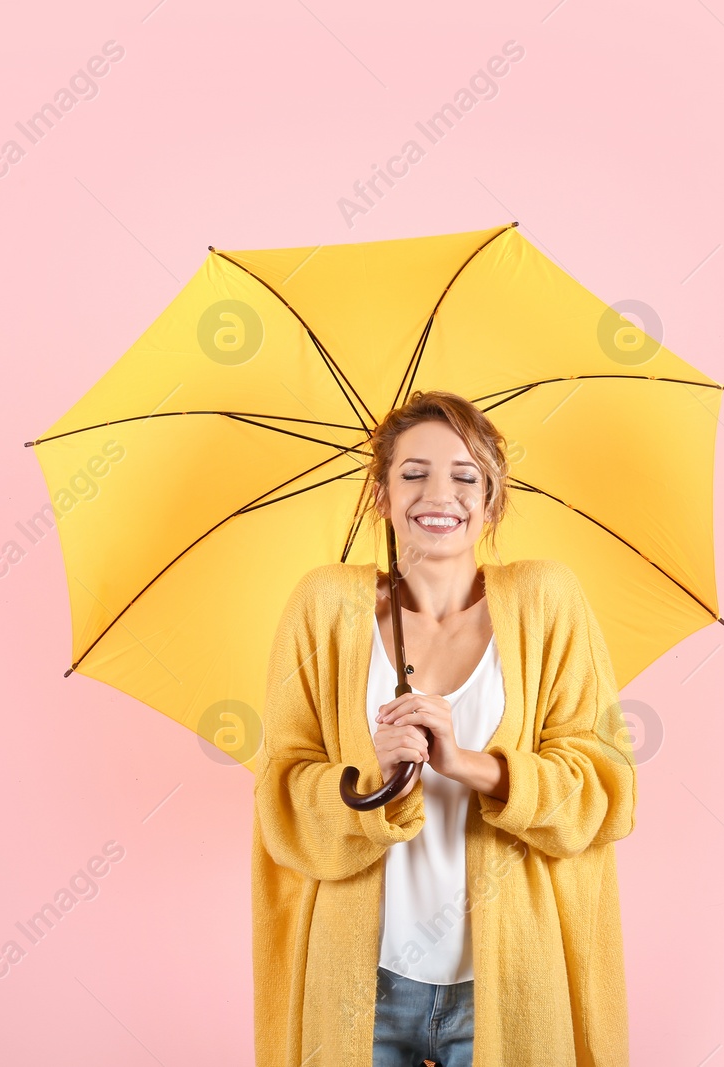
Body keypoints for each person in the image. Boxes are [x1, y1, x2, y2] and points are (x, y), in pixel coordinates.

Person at [252, 390, 637, 1066]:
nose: (441, 494)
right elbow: (280, 797)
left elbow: (602, 789)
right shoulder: (323, 606)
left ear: (493, 497)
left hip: (508, 976)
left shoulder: (548, 600)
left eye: (466, 476)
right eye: (413, 472)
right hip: (361, 981)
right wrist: (371, 778)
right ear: (381, 493)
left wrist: (469, 763)